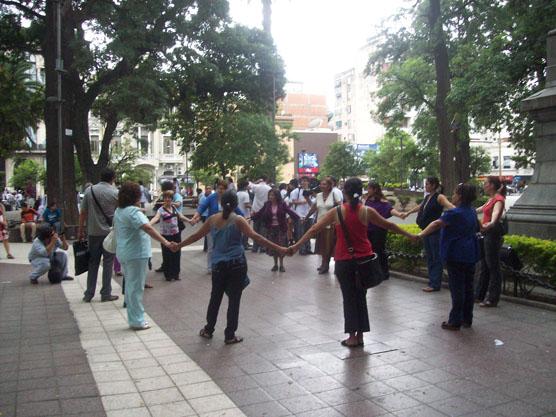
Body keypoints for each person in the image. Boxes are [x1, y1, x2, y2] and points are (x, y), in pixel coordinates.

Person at [289, 178, 417, 347]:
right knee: (361, 297)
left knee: (349, 298)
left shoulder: (337, 211)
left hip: (344, 260)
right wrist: (411, 236)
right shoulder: (366, 211)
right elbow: (389, 225)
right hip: (364, 260)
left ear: (345, 192)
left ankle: (352, 337)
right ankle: (361, 335)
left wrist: (295, 247)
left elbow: (314, 229)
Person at [176, 190, 287, 344]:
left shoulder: (212, 219)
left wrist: (179, 245)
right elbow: (256, 237)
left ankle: (208, 329)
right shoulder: (239, 220)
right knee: (234, 300)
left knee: (215, 297)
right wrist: (279, 248)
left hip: (218, 265)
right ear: (236, 204)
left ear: (221, 203)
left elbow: (196, 236)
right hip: (237, 264)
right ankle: (230, 335)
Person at [114, 182, 177, 330]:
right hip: (136, 253)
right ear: (135, 196)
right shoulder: (133, 212)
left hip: (124, 252)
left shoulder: (120, 210)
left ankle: (133, 317)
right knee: (136, 288)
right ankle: (137, 320)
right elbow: (147, 227)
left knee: (131, 286)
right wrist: (166, 242)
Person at [418, 183, 480, 330]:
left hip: (456, 254)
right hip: (471, 253)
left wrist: (420, 234)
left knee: (457, 288)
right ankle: (467, 318)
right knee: (468, 287)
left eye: (455, 193)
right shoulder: (472, 211)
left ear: (460, 196)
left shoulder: (454, 213)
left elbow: (436, 224)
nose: (452, 196)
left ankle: (454, 321)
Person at [403, 177, 454, 292]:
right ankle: (431, 281)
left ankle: (435, 283)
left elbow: (450, 206)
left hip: (435, 231)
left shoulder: (439, 197)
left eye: (427, 184)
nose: (425, 186)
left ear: (434, 185)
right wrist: (408, 213)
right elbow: (420, 207)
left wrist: (458, 213)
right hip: (426, 230)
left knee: (436, 257)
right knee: (430, 256)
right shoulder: (427, 197)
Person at [78, 168, 119, 302]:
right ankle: (106, 293)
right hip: (110, 233)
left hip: (93, 232)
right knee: (108, 263)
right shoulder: (115, 192)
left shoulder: (89, 191)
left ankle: (89, 294)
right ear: (113, 178)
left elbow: (83, 213)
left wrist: (80, 231)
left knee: (93, 263)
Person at [191, 180, 244, 273]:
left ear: (226, 189)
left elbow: (237, 209)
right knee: (211, 247)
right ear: (216, 188)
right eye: (219, 188)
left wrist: (244, 217)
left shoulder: (228, 198)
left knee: (223, 246)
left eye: (223, 189)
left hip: (226, 227)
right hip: (212, 225)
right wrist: (196, 216)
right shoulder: (211, 197)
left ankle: (223, 264)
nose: (220, 190)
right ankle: (210, 267)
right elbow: (202, 207)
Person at [475, 176, 506, 308]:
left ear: (492, 185)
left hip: (492, 235)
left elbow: (496, 214)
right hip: (486, 234)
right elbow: (478, 210)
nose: (484, 185)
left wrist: (491, 223)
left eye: (486, 183)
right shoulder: (490, 199)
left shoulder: (499, 200)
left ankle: (492, 298)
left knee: (493, 267)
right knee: (485, 266)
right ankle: (480, 295)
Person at [364, 182, 405, 280]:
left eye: (369, 188)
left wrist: (399, 215)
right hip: (368, 229)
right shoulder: (368, 200)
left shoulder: (382, 202)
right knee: (370, 251)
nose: (368, 190)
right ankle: (374, 271)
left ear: (375, 190)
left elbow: (390, 210)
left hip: (379, 230)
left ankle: (384, 272)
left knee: (379, 250)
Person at [253, 188, 299, 272]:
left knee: (281, 247)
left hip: (281, 229)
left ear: (277, 196)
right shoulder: (267, 204)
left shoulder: (282, 204)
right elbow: (260, 212)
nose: (271, 197)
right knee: (273, 247)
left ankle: (281, 265)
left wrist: (298, 218)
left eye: (273, 195)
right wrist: (252, 217)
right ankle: (275, 264)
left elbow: (289, 211)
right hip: (271, 229)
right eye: (270, 195)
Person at [149, 190, 192, 281]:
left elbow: (180, 216)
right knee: (167, 255)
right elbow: (156, 218)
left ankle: (176, 274)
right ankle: (168, 275)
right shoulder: (160, 210)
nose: (167, 199)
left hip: (176, 234)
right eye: (166, 197)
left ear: (172, 199)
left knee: (177, 254)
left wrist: (189, 221)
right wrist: (148, 225)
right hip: (165, 236)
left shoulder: (173, 207)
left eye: (169, 197)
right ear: (163, 199)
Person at [306, 178, 341, 274]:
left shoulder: (334, 194)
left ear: (330, 186)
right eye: (321, 184)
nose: (322, 186)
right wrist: (306, 217)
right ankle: (323, 263)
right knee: (322, 245)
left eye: (324, 184)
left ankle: (327, 264)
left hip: (331, 225)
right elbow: (313, 208)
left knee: (329, 245)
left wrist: (336, 220)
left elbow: (340, 207)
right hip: (320, 223)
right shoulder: (318, 195)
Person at [154, 180, 184, 272]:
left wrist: (169, 202)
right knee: (166, 248)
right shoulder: (165, 199)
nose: (164, 194)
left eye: (164, 191)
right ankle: (166, 266)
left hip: (176, 224)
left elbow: (178, 203)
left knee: (174, 248)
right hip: (166, 225)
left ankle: (173, 269)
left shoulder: (177, 196)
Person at [289, 177, 313, 255]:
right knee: (300, 233)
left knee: (308, 233)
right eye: (302, 181)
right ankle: (302, 249)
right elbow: (293, 201)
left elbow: (313, 203)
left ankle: (308, 248)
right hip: (299, 215)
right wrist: (305, 200)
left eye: (305, 181)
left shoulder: (311, 191)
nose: (303, 182)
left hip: (310, 215)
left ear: (308, 182)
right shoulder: (296, 191)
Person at [249, 176, 271, 253]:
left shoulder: (256, 186)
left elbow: (249, 185)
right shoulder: (269, 188)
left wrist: (256, 181)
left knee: (255, 230)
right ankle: (263, 247)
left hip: (255, 211)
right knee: (263, 230)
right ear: (267, 179)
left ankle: (255, 247)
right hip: (265, 211)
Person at [236, 180, 252, 249]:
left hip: (237, 214)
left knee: (239, 230)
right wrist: (253, 207)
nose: (249, 186)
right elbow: (246, 205)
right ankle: (245, 244)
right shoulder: (245, 194)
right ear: (245, 186)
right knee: (246, 230)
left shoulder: (237, 193)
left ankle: (242, 243)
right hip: (245, 215)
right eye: (248, 185)